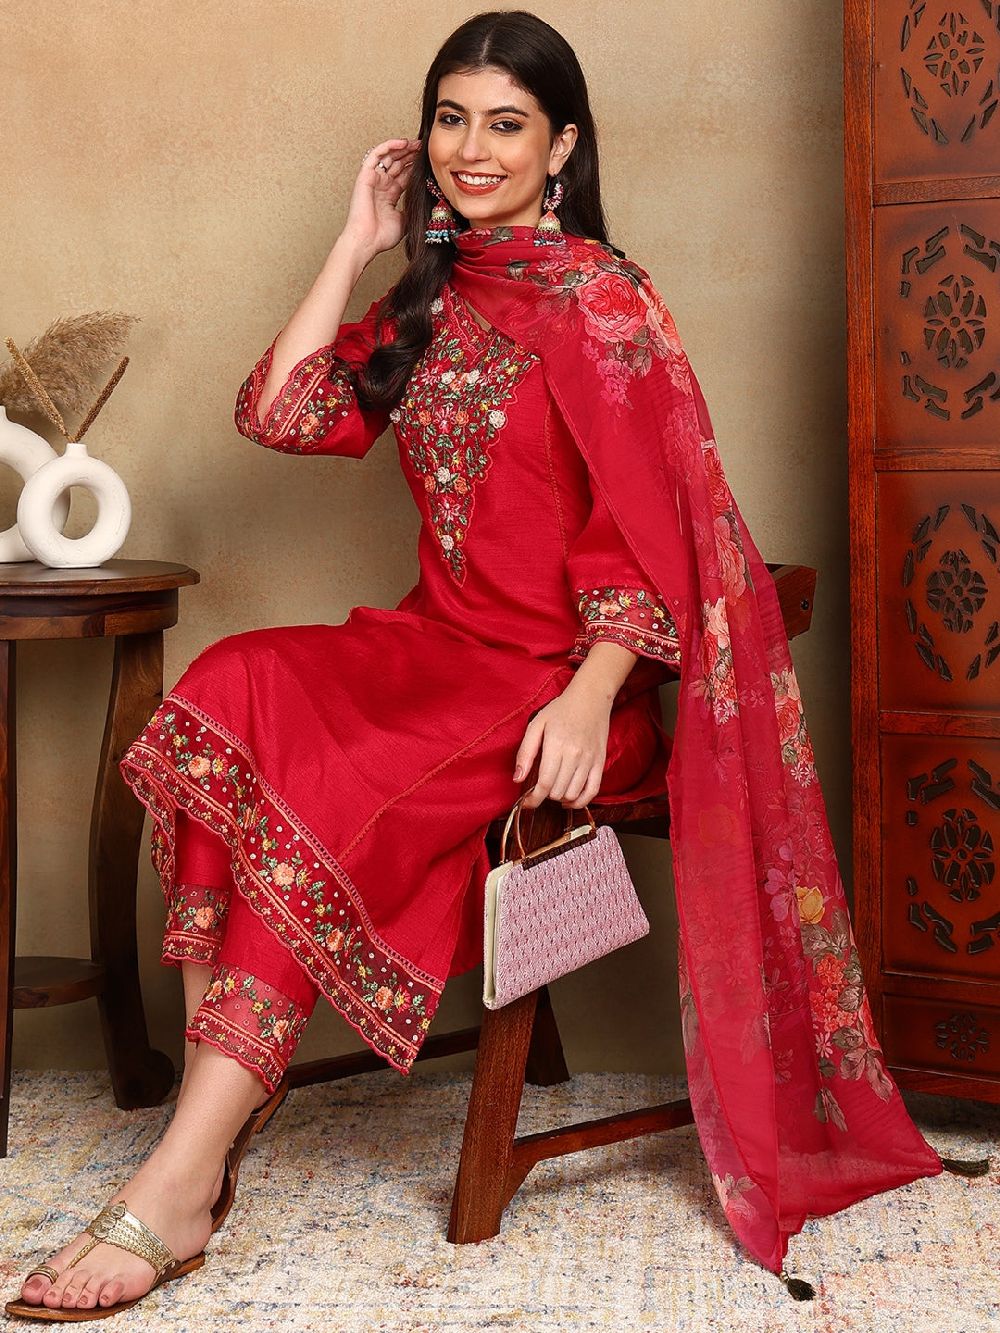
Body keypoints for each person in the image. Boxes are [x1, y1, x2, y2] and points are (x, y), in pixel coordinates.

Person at [7, 8, 945, 1322]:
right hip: (435, 654)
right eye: (451, 119)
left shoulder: (603, 306)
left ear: (563, 145)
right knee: (235, 686)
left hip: (561, 690)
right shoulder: (437, 295)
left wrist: (596, 690)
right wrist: (354, 241)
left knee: (327, 782)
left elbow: (652, 529)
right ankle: (212, 1125)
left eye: (507, 124)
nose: (472, 148)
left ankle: (179, 1175)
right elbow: (278, 412)